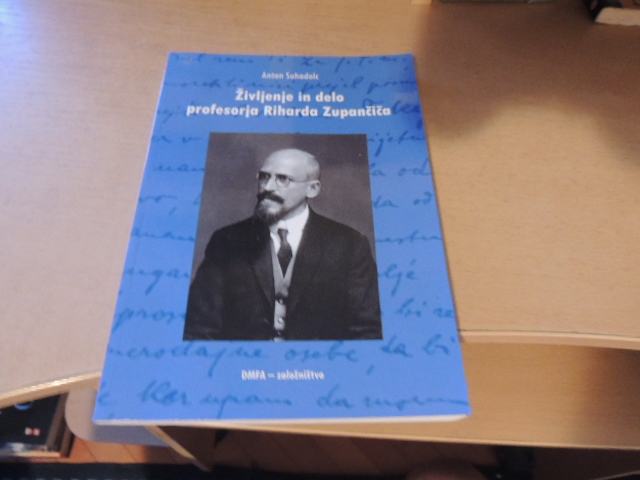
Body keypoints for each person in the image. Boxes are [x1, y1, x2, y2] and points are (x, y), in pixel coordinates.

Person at [183, 148, 382, 341]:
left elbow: (367, 331)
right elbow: (199, 327)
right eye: (264, 177)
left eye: (283, 179)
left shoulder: (350, 244)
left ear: (312, 189)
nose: (267, 187)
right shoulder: (227, 240)